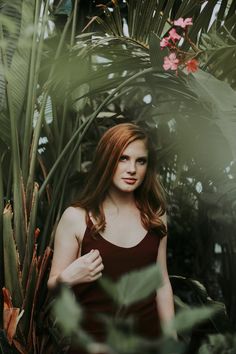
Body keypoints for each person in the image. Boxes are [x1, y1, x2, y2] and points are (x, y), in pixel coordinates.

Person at [48, 123, 175, 353]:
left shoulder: (156, 216)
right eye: (123, 158)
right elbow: (53, 285)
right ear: (107, 160)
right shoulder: (76, 218)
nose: (132, 169)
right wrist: (68, 277)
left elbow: (162, 282)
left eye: (141, 161)